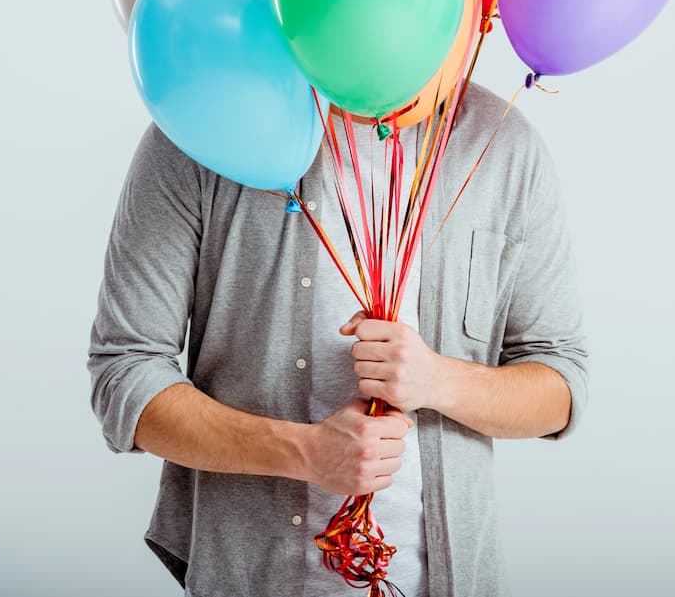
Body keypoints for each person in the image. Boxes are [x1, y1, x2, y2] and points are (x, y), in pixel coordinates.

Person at [87, 83, 588, 597]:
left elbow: (561, 385)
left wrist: (438, 381)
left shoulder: (503, 144)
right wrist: (305, 453)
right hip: (250, 578)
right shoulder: (204, 124)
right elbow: (124, 372)